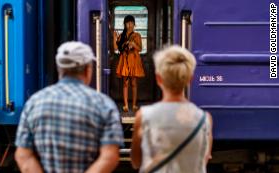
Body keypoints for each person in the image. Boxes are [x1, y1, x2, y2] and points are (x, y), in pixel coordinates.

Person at [15, 41, 124, 173]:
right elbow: (110, 156)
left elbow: (23, 155)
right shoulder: (104, 104)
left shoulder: (34, 102)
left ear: (59, 68)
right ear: (87, 69)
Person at [130, 45, 213, 173]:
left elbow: (136, 162)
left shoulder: (144, 116)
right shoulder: (205, 119)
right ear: (190, 80)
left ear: (158, 79)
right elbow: (204, 158)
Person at [113, 15, 145, 112]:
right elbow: (115, 48)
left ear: (134, 24)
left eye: (131, 23)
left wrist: (134, 44)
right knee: (125, 83)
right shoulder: (121, 36)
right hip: (124, 61)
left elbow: (140, 49)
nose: (129, 25)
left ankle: (134, 105)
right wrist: (114, 38)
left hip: (134, 61)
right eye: (127, 23)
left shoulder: (137, 35)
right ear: (125, 24)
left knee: (134, 83)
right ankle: (126, 105)